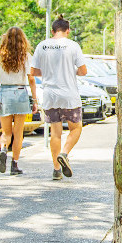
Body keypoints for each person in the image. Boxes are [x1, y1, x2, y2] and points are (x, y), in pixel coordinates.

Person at [31, 15, 87, 181]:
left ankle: (56, 169)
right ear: (67, 31)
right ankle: (64, 153)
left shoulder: (42, 46)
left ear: (52, 31)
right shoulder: (73, 46)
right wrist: (72, 71)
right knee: (76, 128)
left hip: (49, 96)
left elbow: (33, 72)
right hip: (69, 95)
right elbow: (83, 71)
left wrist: (49, 73)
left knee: (55, 133)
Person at [0, 26, 38, 176]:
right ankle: (14, 165)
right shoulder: (25, 55)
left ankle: (3, 149)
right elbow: (31, 78)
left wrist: (5, 38)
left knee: (6, 132)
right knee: (18, 133)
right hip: (20, 93)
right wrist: (35, 99)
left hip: (4, 93)